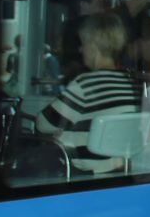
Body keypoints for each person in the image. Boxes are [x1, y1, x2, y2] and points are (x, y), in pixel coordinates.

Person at [40, 11, 141, 142]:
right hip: (122, 161)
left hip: (84, 162)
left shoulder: (85, 85)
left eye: (83, 44)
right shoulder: (133, 84)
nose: (81, 49)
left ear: (93, 47)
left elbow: (44, 124)